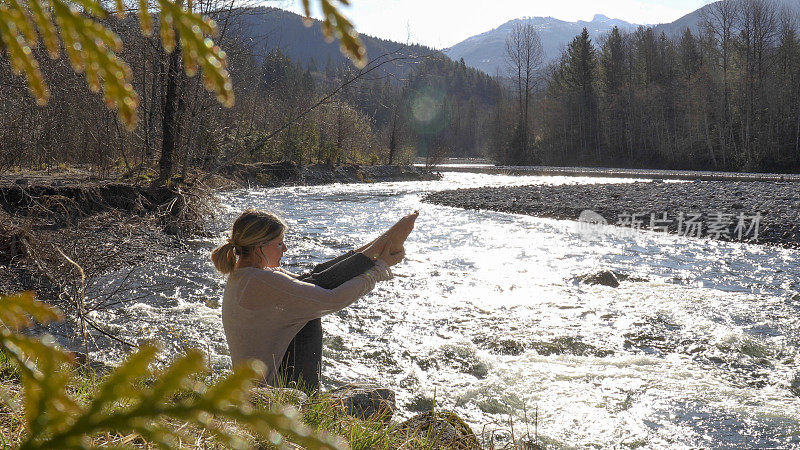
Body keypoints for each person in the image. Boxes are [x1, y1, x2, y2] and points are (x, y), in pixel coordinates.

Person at [211, 208, 417, 390]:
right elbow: (332, 298)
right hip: (273, 391)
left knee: (309, 286)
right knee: (309, 309)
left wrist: (372, 251)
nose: (285, 249)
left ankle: (377, 246)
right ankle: (378, 247)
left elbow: (314, 278)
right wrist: (379, 269)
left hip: (260, 386)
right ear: (260, 248)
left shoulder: (245, 276)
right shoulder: (261, 281)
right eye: (280, 243)